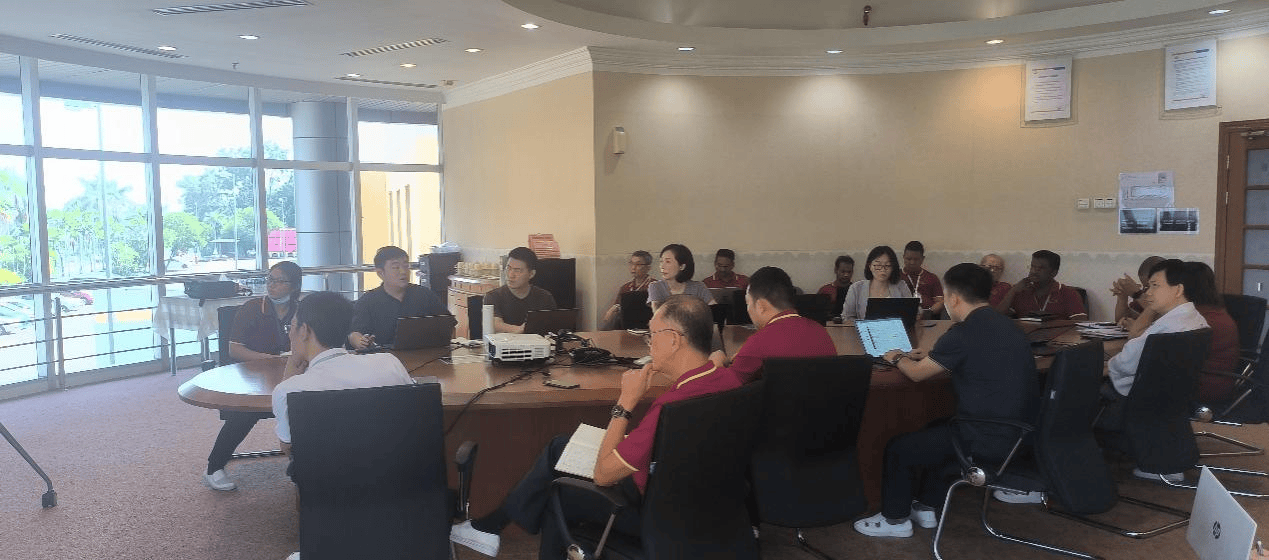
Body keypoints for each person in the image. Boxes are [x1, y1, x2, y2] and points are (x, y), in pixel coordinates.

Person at [448, 295, 743, 558]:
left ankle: (492, 527)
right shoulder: (729, 382)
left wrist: (626, 402)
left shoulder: (672, 407)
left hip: (653, 513)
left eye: (652, 335)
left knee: (557, 492)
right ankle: (492, 526)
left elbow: (603, 475)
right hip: (707, 508)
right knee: (560, 447)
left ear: (675, 340)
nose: (649, 344)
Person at [854, 264, 1038, 538]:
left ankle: (894, 520)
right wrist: (933, 356)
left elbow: (916, 374)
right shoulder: (1008, 325)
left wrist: (896, 356)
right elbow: (979, 360)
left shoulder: (963, 332)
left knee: (899, 448)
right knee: (936, 428)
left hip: (986, 437)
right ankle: (926, 506)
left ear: (953, 298)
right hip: (1019, 436)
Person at [1097, 259, 1211, 482]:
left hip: (1134, 403)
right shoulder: (1196, 319)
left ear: (1178, 290)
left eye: (1155, 286)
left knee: (1066, 385)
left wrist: (1098, 366)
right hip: (1170, 401)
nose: (1148, 292)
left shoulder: (1166, 328)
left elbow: (1122, 365)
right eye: (1148, 286)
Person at [203, 261, 302, 491]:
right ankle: (214, 467)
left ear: (294, 285)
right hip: (254, 377)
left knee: (310, 404)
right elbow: (234, 350)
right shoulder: (253, 308)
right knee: (245, 413)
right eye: (270, 280)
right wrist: (269, 359)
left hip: (291, 375)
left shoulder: (301, 311)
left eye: (279, 281)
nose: (272, 285)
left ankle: (306, 461)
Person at [727, 266, 837, 383]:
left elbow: (725, 386)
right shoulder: (820, 331)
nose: (748, 309)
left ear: (760, 306)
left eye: (748, 303)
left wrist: (718, 362)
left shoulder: (759, 342)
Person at [348, 245, 451, 349]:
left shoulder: (424, 294)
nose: (403, 271)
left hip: (424, 353)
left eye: (406, 266)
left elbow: (447, 323)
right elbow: (354, 334)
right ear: (380, 273)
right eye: (395, 267)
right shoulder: (367, 301)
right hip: (383, 356)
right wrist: (361, 342)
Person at [484, 247, 559, 334]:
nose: (511, 275)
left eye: (517, 271)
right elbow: (495, 325)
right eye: (508, 268)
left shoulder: (545, 297)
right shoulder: (493, 296)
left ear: (531, 274)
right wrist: (520, 329)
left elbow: (552, 328)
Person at [994, 250, 1087, 320]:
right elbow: (996, 317)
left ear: (1054, 272)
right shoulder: (1021, 291)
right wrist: (1013, 291)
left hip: (1056, 338)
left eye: (1041, 268)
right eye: (1032, 266)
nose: (1034, 271)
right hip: (1025, 338)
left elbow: (1080, 323)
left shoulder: (1068, 293)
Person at [839, 245, 913, 321]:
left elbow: (912, 312)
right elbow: (847, 317)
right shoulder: (856, 288)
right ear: (870, 266)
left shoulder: (901, 286)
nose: (883, 270)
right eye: (878, 265)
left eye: (887, 265)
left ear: (893, 267)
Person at [647, 243, 714, 312]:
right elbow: (657, 314)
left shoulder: (699, 287)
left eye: (668, 261)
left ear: (682, 266)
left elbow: (714, 310)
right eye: (661, 261)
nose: (662, 266)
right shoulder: (656, 286)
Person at [600, 250, 654, 330]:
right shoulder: (625, 287)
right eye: (631, 263)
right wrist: (614, 308)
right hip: (626, 326)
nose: (633, 267)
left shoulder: (654, 286)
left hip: (646, 326)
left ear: (648, 268)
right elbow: (616, 307)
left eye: (638, 264)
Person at [1112, 255, 1165, 324]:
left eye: (1154, 286)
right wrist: (1122, 298)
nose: (1148, 292)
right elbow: (1122, 320)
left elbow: (1163, 318)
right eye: (1146, 287)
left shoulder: (1174, 299)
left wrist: (1137, 294)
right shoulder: (1144, 295)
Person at [901, 241, 944, 317]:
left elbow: (940, 303)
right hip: (901, 316)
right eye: (908, 259)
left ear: (922, 259)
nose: (912, 262)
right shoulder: (896, 277)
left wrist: (929, 312)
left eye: (916, 259)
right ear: (903, 257)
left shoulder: (932, 278)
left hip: (927, 318)